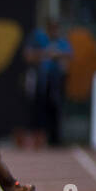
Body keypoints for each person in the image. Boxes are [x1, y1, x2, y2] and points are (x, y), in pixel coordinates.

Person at [23, 18, 72, 146]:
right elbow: (28, 55)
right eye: (52, 28)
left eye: (56, 28)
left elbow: (69, 56)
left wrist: (57, 55)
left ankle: (55, 139)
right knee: (38, 110)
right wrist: (45, 54)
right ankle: (37, 138)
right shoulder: (39, 38)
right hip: (40, 81)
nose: (54, 31)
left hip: (56, 82)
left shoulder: (61, 42)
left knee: (56, 109)